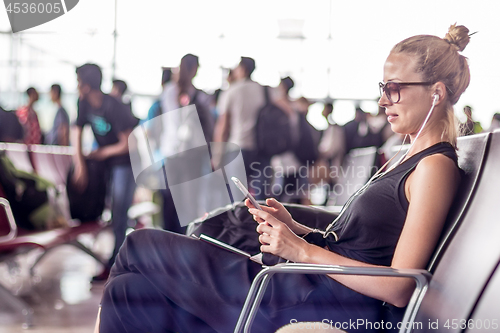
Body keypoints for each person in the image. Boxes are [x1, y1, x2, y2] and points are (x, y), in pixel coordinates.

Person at [97, 24, 470, 332]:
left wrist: (299, 249)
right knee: (127, 293)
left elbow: (401, 285)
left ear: (435, 93)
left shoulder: (434, 167)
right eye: (382, 88)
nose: (384, 101)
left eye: (394, 88)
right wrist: (296, 229)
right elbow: (364, 245)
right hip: (303, 283)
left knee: (138, 246)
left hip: (313, 299)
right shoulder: (408, 158)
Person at [71, 63, 139, 282]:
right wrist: (80, 163)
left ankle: (117, 267)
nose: (77, 86)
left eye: (79, 82)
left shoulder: (114, 106)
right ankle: (116, 261)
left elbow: (128, 142)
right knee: (113, 215)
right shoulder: (83, 103)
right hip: (108, 163)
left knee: (120, 214)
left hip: (126, 163)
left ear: (88, 85)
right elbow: (76, 131)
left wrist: (102, 152)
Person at [214, 57, 271, 200]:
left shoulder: (232, 91)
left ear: (242, 69)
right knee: (261, 199)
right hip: (262, 149)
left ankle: (239, 222)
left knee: (237, 199)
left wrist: (217, 156)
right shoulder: (265, 91)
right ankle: (259, 222)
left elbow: (223, 126)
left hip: (237, 148)